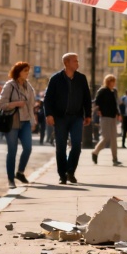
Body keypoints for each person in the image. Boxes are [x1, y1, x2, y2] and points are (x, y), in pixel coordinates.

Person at [43, 53, 92, 184]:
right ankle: (62, 175)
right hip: (60, 118)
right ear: (67, 63)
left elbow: (87, 98)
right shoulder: (55, 79)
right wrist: (49, 114)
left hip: (76, 117)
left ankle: (70, 171)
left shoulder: (81, 78)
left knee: (76, 145)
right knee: (61, 147)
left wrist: (88, 115)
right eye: (75, 61)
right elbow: (48, 99)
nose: (78, 63)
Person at [0, 61, 37, 189]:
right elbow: (2, 104)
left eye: (28, 71)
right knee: (12, 151)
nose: (27, 73)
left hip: (25, 122)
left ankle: (19, 172)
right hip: (12, 122)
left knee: (28, 148)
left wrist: (33, 120)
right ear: (18, 71)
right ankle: (10, 180)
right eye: (25, 70)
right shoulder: (10, 85)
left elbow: (31, 106)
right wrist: (15, 104)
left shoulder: (28, 86)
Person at [91, 75, 122, 166]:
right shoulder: (102, 91)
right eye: (112, 81)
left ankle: (115, 159)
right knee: (106, 137)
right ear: (108, 82)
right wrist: (98, 111)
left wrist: (118, 114)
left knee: (113, 139)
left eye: (114, 81)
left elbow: (115, 104)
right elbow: (97, 102)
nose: (113, 83)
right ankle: (95, 152)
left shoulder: (114, 91)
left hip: (113, 116)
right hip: (105, 116)